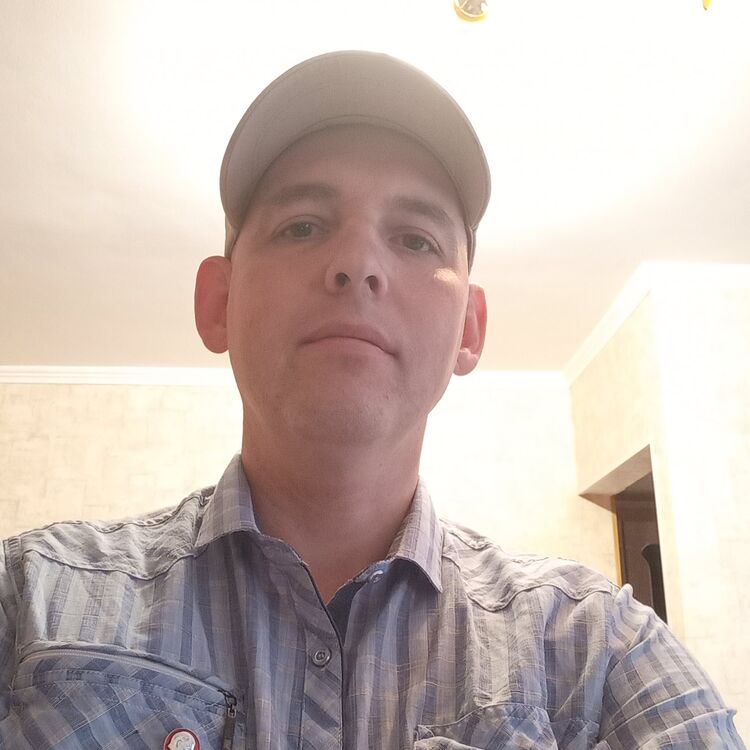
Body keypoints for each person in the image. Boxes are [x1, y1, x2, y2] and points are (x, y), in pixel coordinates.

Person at [0, 51, 744, 750]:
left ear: (470, 328)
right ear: (217, 303)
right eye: (302, 226)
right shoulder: (28, 599)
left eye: (416, 240)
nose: (356, 263)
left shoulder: (600, 646)